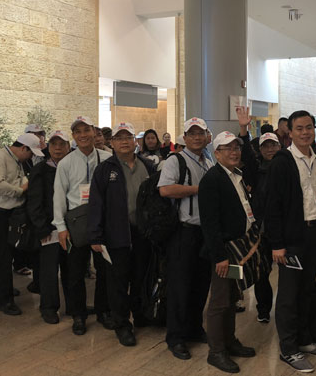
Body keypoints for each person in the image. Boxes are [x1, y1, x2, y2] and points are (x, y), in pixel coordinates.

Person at [265, 110, 316, 373]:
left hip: (314, 234)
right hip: (292, 239)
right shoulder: (282, 162)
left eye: (309, 127)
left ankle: (304, 339)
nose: (305, 132)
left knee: (307, 290)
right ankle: (288, 348)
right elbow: (273, 206)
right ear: (290, 132)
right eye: (299, 128)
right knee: (288, 295)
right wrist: (277, 244)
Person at [88, 122, 156, 346]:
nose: (124, 141)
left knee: (140, 277)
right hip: (116, 234)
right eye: (119, 138)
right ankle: (122, 324)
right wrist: (95, 235)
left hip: (142, 233)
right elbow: (96, 203)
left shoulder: (148, 166)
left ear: (135, 141)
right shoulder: (104, 169)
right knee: (117, 282)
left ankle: (140, 314)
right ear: (112, 142)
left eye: (128, 137)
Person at [198, 131, 257, 373]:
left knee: (233, 297)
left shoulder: (236, 175)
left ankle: (229, 341)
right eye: (228, 148)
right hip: (225, 252)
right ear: (216, 153)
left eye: (236, 147)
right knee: (220, 301)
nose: (234, 152)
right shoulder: (212, 180)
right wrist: (219, 257)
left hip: (238, 248)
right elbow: (209, 223)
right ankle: (216, 351)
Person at [158, 117, 213, 360]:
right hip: (183, 232)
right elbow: (165, 189)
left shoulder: (208, 161)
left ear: (207, 136)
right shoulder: (176, 160)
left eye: (201, 133)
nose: (197, 137)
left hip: (204, 232)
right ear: (185, 137)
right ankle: (176, 337)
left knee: (200, 284)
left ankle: (194, 328)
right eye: (192, 134)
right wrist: (197, 190)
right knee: (180, 287)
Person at [53, 116, 113, 335]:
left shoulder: (107, 159)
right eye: (78, 132)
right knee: (75, 273)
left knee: (104, 270)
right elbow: (59, 196)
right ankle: (78, 315)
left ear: (94, 132)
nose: (83, 135)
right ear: (73, 136)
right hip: (76, 222)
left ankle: (103, 311)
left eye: (86, 130)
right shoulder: (66, 163)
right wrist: (61, 228)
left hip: (102, 222)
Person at [0, 133, 44, 315]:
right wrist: (19, 191)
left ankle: (6, 289)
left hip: (13, 214)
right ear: (23, 148)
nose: (30, 157)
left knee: (10, 255)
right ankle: (4, 300)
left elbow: (20, 179)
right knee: (1, 259)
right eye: (30, 153)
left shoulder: (16, 160)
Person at [237, 107, 279, 324]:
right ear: (260, 149)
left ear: (279, 146)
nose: (270, 149)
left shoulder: (287, 167)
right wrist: (243, 129)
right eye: (266, 146)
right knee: (262, 271)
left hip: (281, 229)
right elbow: (246, 154)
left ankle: (286, 312)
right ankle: (264, 309)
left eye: (273, 145)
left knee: (288, 273)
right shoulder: (256, 169)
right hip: (261, 229)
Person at [26, 130, 71, 324]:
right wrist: (42, 228)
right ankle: (49, 307)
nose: (58, 148)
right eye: (54, 144)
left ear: (68, 147)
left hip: (71, 228)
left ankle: (74, 305)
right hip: (49, 230)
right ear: (48, 147)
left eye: (62, 144)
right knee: (49, 271)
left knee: (71, 269)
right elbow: (34, 202)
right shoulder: (40, 170)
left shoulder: (73, 167)